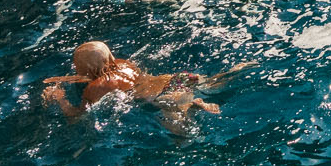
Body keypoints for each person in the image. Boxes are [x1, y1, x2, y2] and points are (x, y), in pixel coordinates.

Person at [40, 41, 249, 135]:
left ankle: (194, 106)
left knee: (182, 135)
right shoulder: (122, 64)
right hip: (175, 79)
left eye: (79, 68)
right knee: (211, 82)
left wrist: (59, 98)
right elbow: (101, 74)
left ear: (90, 70)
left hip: (161, 97)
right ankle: (236, 70)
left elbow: (77, 115)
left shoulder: (96, 87)